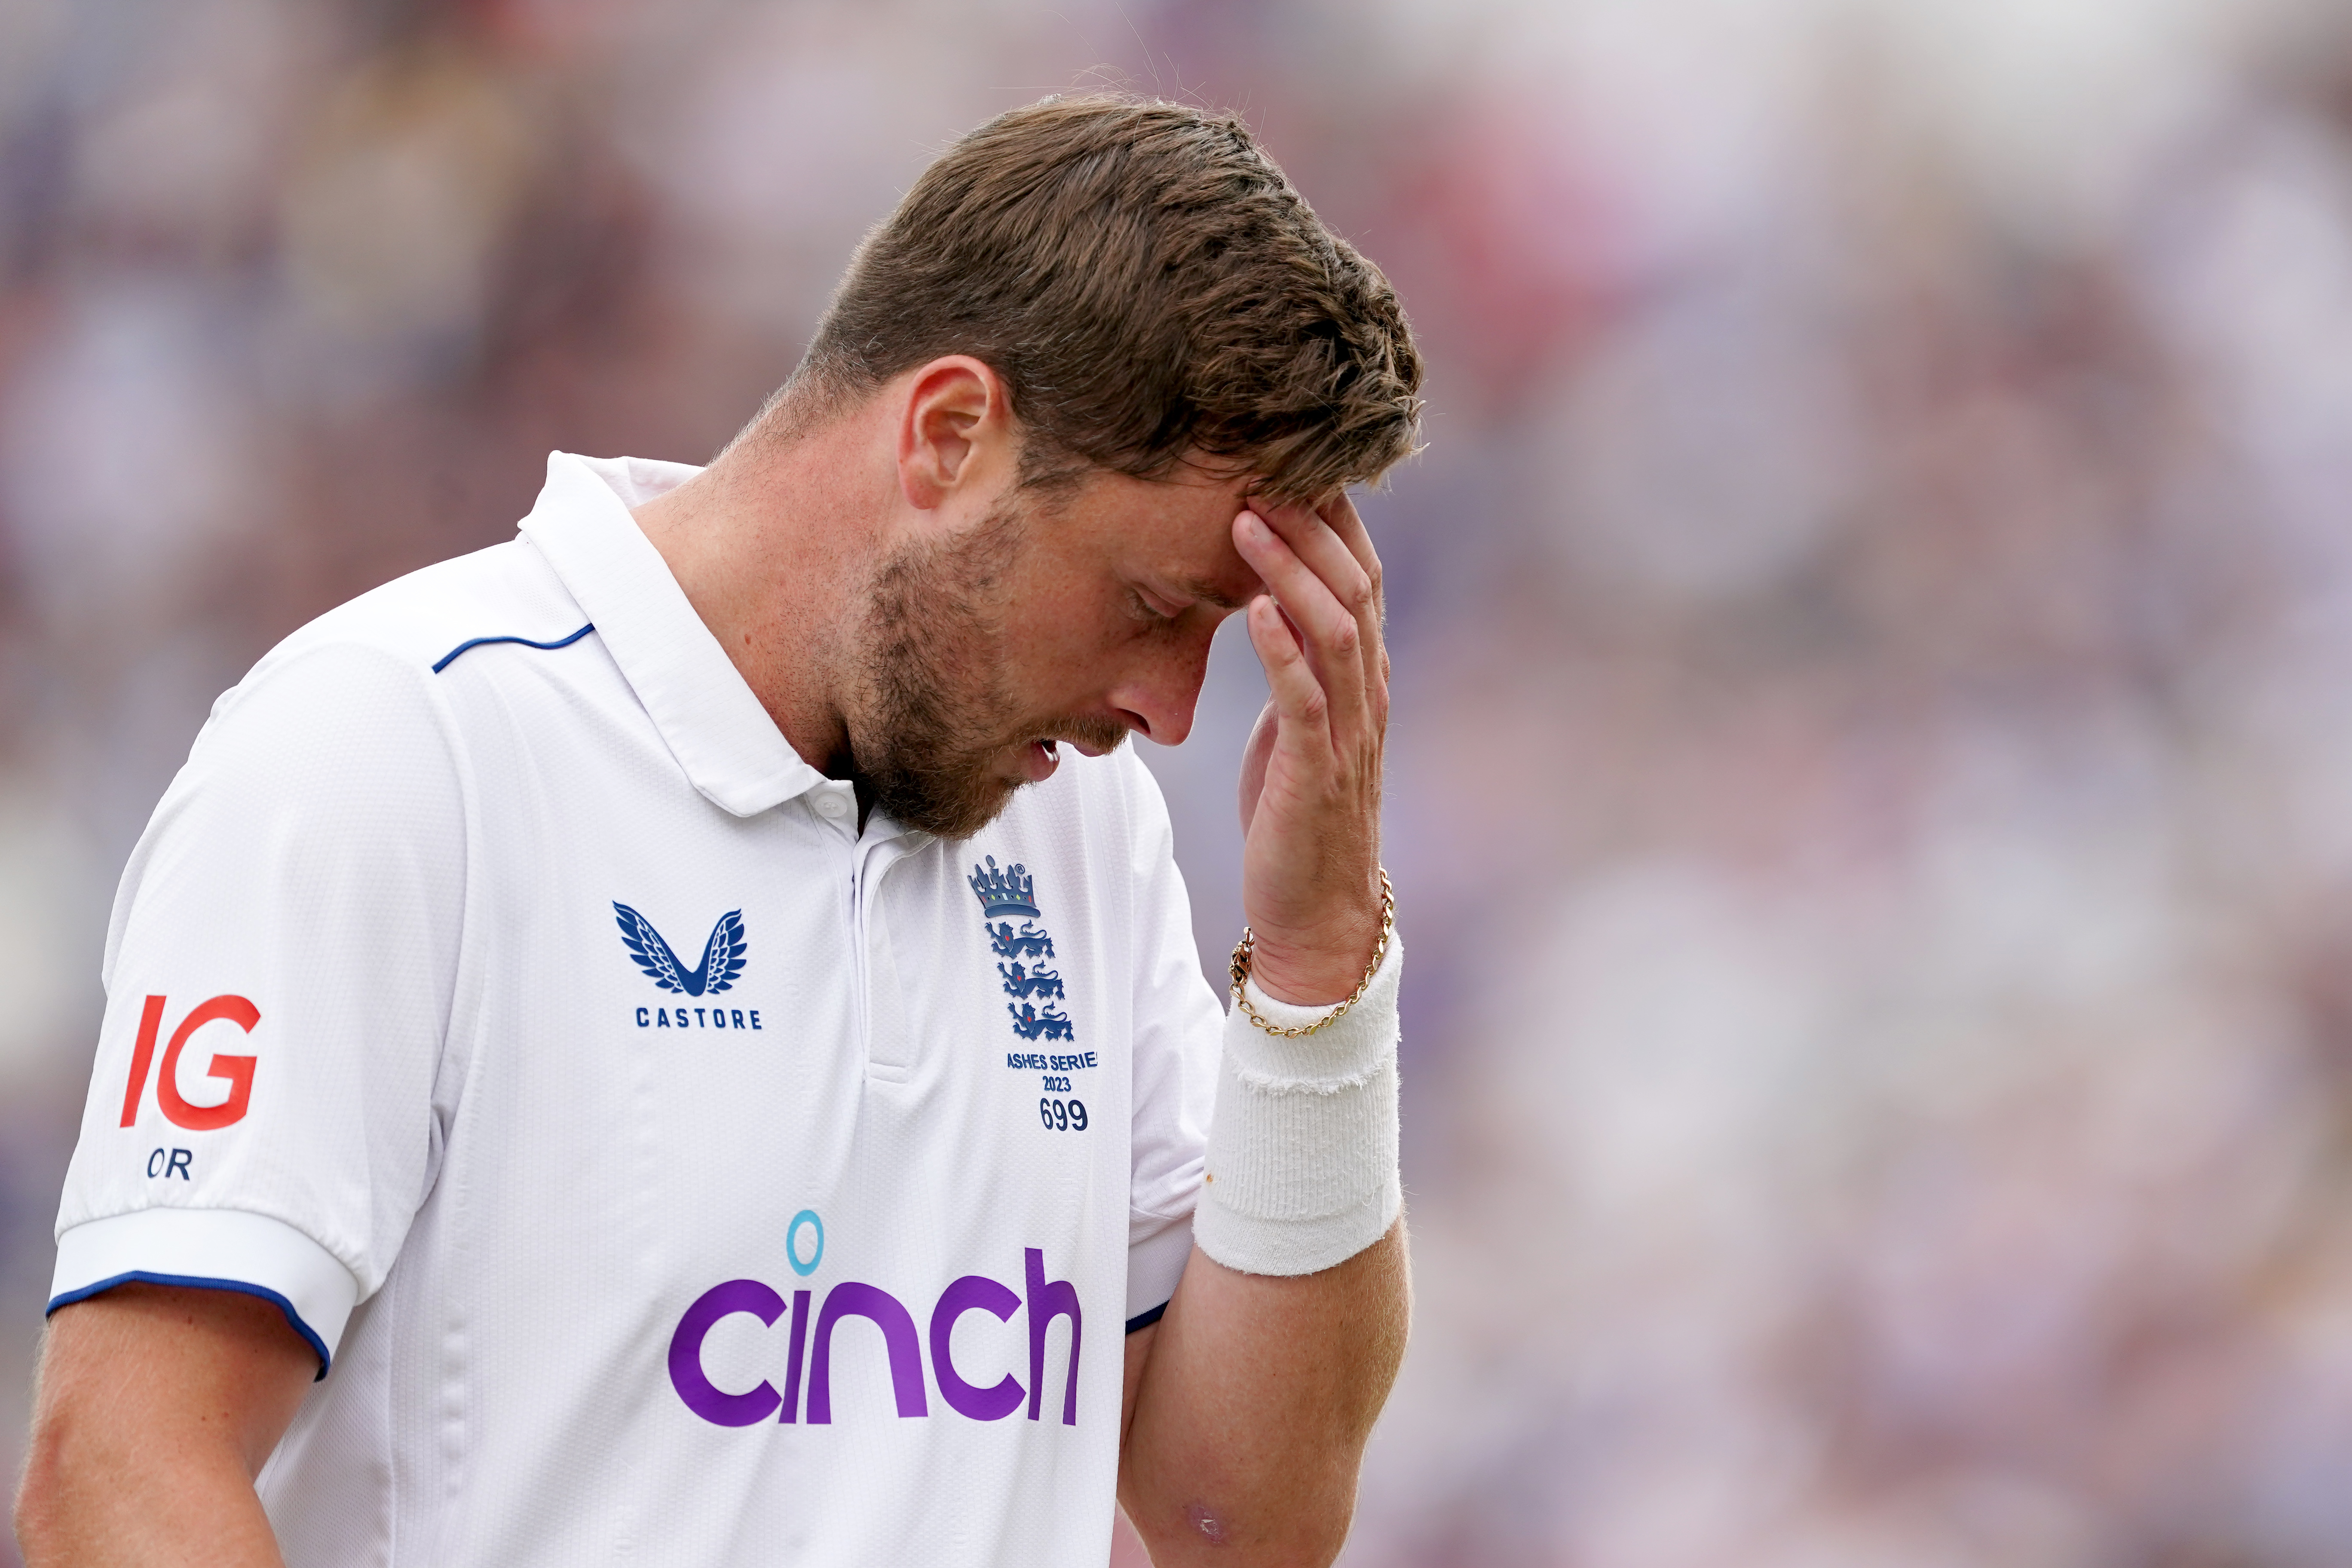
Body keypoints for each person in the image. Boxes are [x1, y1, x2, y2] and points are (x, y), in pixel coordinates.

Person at [14, 93, 1420, 1568]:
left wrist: (1320, 973)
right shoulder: (391, 747)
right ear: (950, 435)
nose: (1176, 711)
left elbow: (1243, 1521)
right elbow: (119, 1469)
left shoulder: (1088, 835)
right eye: (1152, 608)